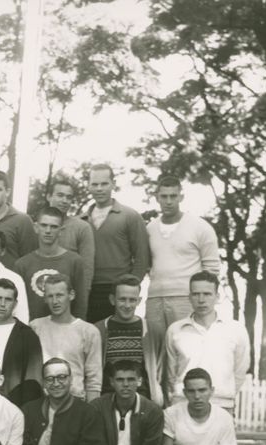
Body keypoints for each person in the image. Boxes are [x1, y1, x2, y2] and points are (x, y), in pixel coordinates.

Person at [146, 176, 222, 355]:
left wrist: (200, 298)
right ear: (157, 197)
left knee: (187, 351)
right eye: (164, 196)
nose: (169, 201)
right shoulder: (149, 229)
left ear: (181, 197)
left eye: (173, 196)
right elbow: (147, 264)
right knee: (156, 353)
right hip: (155, 300)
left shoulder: (200, 227)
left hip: (186, 299)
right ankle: (160, 385)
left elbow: (211, 269)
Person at [16, 358, 108, 445]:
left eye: (61, 377)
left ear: (71, 380)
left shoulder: (87, 412)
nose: (56, 383)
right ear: (43, 383)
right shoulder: (29, 410)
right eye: (50, 379)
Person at [164, 271, 249, 413]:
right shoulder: (176, 330)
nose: (201, 300)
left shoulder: (236, 330)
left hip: (222, 405)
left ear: (217, 297)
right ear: (189, 297)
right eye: (196, 294)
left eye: (207, 294)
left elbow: (240, 370)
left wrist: (225, 394)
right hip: (183, 404)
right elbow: (170, 374)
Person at [81, 164, 150, 322]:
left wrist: (129, 290)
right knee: (91, 338)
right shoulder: (81, 220)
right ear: (88, 186)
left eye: (104, 184)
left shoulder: (130, 216)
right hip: (87, 290)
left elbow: (142, 258)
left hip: (117, 291)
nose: (99, 189)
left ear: (113, 184)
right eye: (95, 184)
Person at [29, 274, 102, 402]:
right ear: (45, 298)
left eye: (60, 295)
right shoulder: (35, 327)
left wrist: (91, 412)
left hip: (75, 400)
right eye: (50, 296)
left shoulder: (88, 331)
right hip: (43, 401)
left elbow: (94, 379)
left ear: (71, 295)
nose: (55, 301)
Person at [93, 274, 163, 403]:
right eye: (122, 299)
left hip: (143, 401)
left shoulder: (152, 331)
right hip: (108, 402)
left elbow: (160, 372)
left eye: (132, 300)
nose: (127, 305)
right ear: (112, 299)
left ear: (139, 301)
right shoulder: (98, 330)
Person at [0, 279, 44, 407]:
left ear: (15, 304)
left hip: (12, 411)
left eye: (8, 299)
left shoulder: (27, 335)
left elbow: (33, 383)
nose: (2, 304)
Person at [14, 206, 89, 320]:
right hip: (31, 331)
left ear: (61, 231)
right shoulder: (22, 264)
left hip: (65, 331)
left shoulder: (74, 261)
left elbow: (81, 304)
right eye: (44, 225)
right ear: (36, 227)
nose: (48, 231)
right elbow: (17, 305)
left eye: (54, 227)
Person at [44, 179, 95, 297]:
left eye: (68, 197)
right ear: (49, 196)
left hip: (69, 295)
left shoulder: (82, 227)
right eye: (60, 195)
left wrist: (82, 296)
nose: (64, 201)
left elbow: (87, 269)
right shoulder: (37, 227)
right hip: (39, 289)